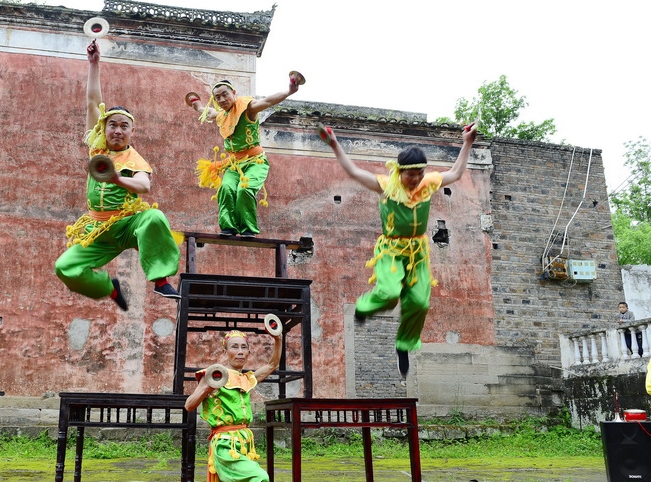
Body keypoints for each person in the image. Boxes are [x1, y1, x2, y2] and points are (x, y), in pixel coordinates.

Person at [321, 123, 477, 379]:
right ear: (400, 172)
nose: (415, 179)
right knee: (391, 293)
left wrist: (467, 142)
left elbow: (456, 173)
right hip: (391, 250)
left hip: (418, 253)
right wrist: (335, 144)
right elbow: (353, 172)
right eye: (410, 175)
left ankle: (404, 344)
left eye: (419, 174)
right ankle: (364, 308)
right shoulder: (387, 186)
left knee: (420, 302)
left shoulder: (428, 184)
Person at [55, 40, 181, 309]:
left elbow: (144, 186)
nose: (118, 130)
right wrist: (94, 64)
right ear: (105, 129)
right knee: (64, 267)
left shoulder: (135, 159)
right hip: (98, 230)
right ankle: (108, 288)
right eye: (112, 125)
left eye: (124, 126)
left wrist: (116, 179)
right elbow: (92, 103)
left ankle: (161, 280)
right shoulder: (97, 148)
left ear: (131, 132)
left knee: (155, 217)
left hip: (127, 225)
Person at [184, 329, 283, 482]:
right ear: (225, 351)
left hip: (244, 443)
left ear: (248, 353)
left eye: (243, 347)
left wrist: (278, 338)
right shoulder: (214, 374)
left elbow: (272, 365)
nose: (239, 351)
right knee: (259, 479)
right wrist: (208, 386)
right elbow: (189, 405)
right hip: (224, 444)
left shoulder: (246, 378)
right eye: (234, 347)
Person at [187, 75, 302, 237]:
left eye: (225, 94)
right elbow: (205, 111)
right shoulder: (221, 115)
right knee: (226, 188)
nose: (221, 99)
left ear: (234, 93)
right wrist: (196, 103)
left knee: (244, 189)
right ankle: (228, 228)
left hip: (255, 162)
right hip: (234, 164)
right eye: (217, 97)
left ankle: (248, 228)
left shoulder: (248, 108)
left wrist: (289, 91)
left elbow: (268, 101)